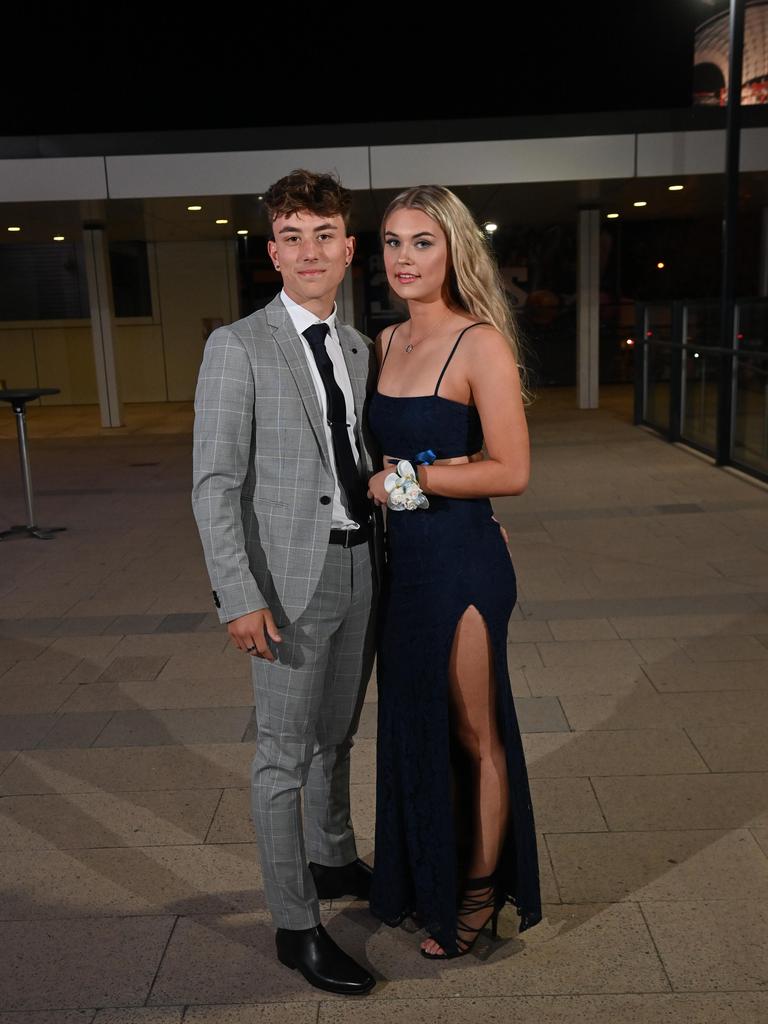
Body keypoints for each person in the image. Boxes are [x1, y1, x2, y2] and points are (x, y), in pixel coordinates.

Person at [191, 169, 382, 995]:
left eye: (323, 235)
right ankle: (295, 924)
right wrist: (238, 595)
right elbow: (214, 484)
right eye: (292, 237)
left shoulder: (359, 347)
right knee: (280, 757)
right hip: (286, 585)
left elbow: (365, 462)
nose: (309, 251)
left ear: (347, 249)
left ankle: (332, 857)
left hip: (360, 565)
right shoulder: (237, 346)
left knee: (336, 735)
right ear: (273, 253)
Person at [366, 185, 542, 959]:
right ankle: (424, 873)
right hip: (405, 569)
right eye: (393, 243)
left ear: (454, 251)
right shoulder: (383, 343)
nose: (405, 259)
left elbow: (512, 469)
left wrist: (412, 482)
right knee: (415, 726)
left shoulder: (481, 345)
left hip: (463, 564)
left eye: (422, 243)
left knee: (475, 734)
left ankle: (477, 895)